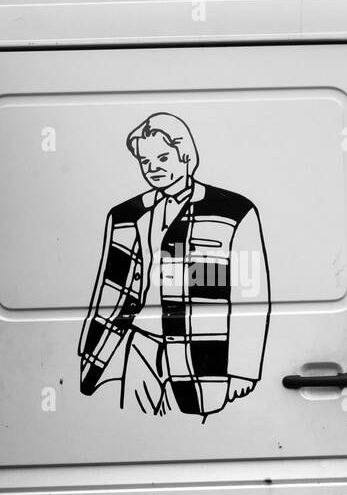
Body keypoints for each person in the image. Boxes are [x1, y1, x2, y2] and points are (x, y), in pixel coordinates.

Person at [78, 112, 270, 418]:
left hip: (199, 350)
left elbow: (252, 297)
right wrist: (90, 350)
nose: (153, 168)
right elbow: (107, 288)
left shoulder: (233, 212)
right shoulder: (124, 215)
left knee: (200, 438)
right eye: (145, 161)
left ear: (186, 156)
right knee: (136, 437)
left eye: (163, 157)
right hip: (138, 342)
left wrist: (244, 370)